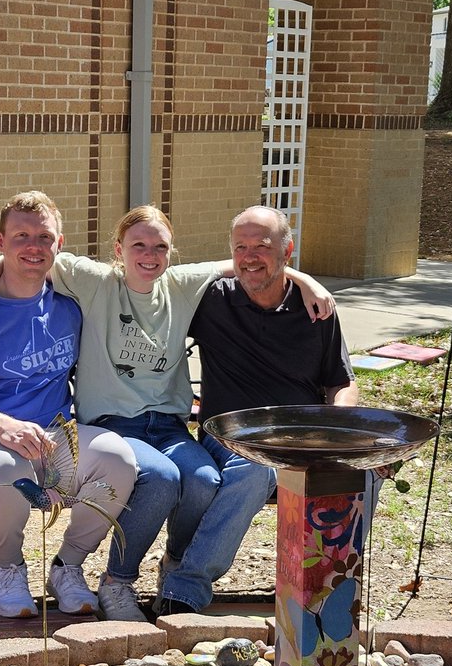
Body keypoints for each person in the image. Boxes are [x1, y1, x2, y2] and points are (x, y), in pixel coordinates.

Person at [0, 204, 335, 621]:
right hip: (113, 424)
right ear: (118, 249)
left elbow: (250, 261)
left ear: (171, 253)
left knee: (203, 480)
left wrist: (305, 280)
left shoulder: (181, 285)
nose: (149, 255)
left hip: (168, 426)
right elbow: (28, 250)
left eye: (160, 247)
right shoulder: (94, 281)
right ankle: (118, 580)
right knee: (162, 479)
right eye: (138, 245)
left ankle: (175, 568)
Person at [155, 204, 381, 614]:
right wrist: (301, 274)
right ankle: (184, 588)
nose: (249, 256)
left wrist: (339, 424)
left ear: (286, 250)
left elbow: (341, 380)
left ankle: (324, 590)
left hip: (302, 438)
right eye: (240, 247)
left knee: (362, 474)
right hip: (230, 437)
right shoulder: (211, 300)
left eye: (262, 246)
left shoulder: (316, 311)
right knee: (256, 469)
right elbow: (157, 279)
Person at [0, 191, 137, 619]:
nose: (33, 247)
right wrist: (4, 425)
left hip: (57, 436)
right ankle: (8, 569)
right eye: (21, 236)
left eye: (44, 237)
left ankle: (68, 567)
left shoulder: (70, 305)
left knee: (118, 458)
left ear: (59, 245)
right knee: (6, 472)